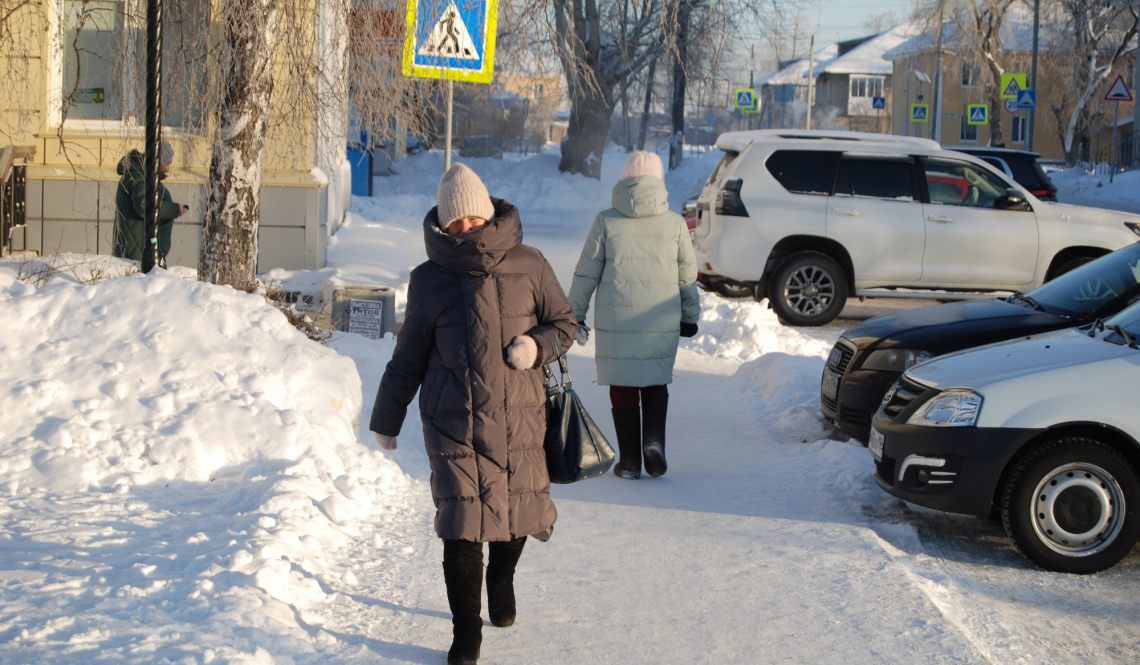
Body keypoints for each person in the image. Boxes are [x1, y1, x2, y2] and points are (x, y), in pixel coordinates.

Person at [369, 163, 576, 665]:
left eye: (471, 218)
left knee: (519, 510)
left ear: (487, 213)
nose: (463, 227)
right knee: (461, 523)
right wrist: (386, 418)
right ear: (443, 223)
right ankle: (467, 634)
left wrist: (536, 344)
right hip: (454, 422)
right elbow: (409, 356)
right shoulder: (428, 279)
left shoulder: (530, 263)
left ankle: (501, 581)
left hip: (520, 417)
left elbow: (566, 324)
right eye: (453, 220)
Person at [567, 151, 700, 479]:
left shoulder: (605, 221)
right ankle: (653, 441)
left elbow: (586, 274)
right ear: (658, 182)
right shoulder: (674, 224)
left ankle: (629, 462)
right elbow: (687, 275)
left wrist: (575, 317)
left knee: (623, 386)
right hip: (660, 321)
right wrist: (690, 316)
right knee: (655, 381)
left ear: (624, 181)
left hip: (617, 323)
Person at [112, 140, 189, 267]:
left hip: (141, 251)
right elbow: (144, 208)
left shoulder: (141, 177)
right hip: (139, 256)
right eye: (167, 164)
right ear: (158, 161)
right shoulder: (139, 178)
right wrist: (175, 209)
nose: (168, 170)